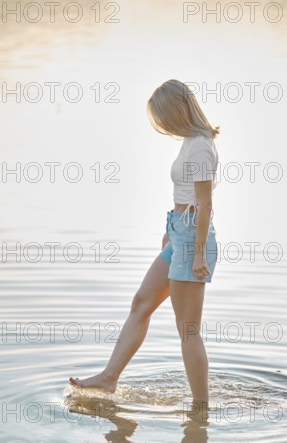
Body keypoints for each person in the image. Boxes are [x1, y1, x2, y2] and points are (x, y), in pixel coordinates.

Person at [69, 79, 220, 406]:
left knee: (188, 331)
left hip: (194, 242)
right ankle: (109, 378)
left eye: (164, 116)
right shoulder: (190, 142)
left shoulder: (201, 146)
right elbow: (187, 196)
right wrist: (171, 230)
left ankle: (201, 408)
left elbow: (206, 204)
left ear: (177, 111)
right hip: (180, 235)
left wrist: (196, 255)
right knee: (141, 303)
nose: (163, 125)